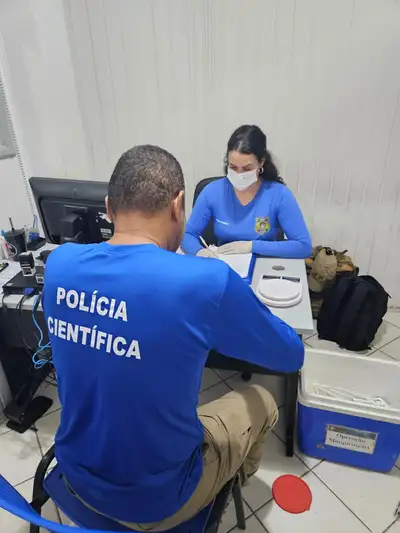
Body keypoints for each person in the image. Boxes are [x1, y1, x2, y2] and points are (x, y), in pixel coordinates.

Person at [43, 145, 304, 531]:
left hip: (75, 478)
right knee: (262, 399)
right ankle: (228, 486)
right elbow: (290, 355)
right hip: (158, 503)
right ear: (178, 205)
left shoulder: (58, 266)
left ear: (108, 208)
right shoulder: (206, 283)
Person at [182, 125, 312, 259]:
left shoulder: (279, 195)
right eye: (233, 167)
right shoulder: (212, 192)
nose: (239, 174)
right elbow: (187, 235)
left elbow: (304, 246)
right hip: (223, 263)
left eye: (247, 169)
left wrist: (252, 246)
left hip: (263, 265)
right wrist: (199, 252)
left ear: (261, 162)